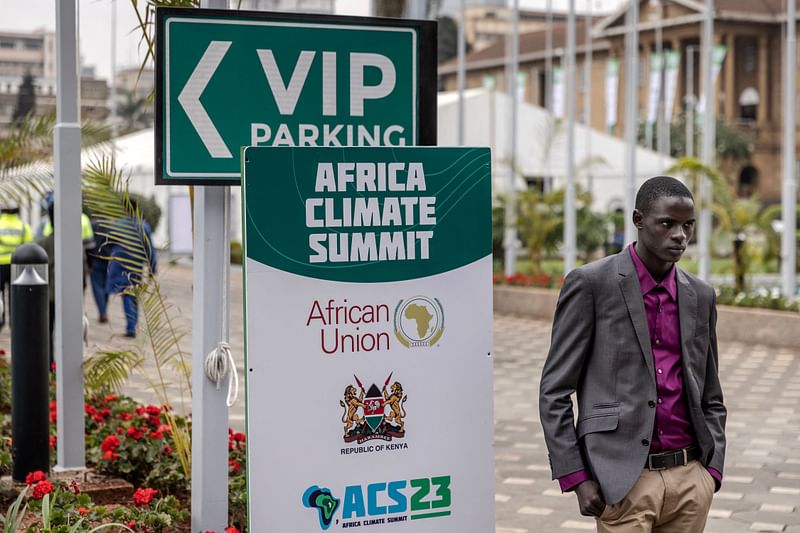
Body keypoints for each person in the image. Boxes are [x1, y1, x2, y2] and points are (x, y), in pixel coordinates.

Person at [539, 176, 726, 533]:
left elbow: (710, 392)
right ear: (639, 220)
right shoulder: (591, 284)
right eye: (667, 224)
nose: (679, 236)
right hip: (623, 480)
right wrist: (576, 476)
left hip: (690, 478)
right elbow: (554, 392)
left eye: (688, 226)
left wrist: (711, 471)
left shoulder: (700, 295)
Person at [105, 204, 157, 338]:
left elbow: (107, 244)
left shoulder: (117, 225)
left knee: (127, 293)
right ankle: (132, 324)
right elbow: (150, 249)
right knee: (133, 293)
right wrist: (152, 267)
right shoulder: (143, 227)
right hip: (136, 264)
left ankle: (131, 326)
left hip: (119, 264)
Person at [0, 203, 33, 329]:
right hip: (16, 265)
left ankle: (0, 320)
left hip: (0, 264)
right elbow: (29, 246)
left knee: (0, 294)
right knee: (15, 295)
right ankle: (14, 322)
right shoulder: (23, 227)